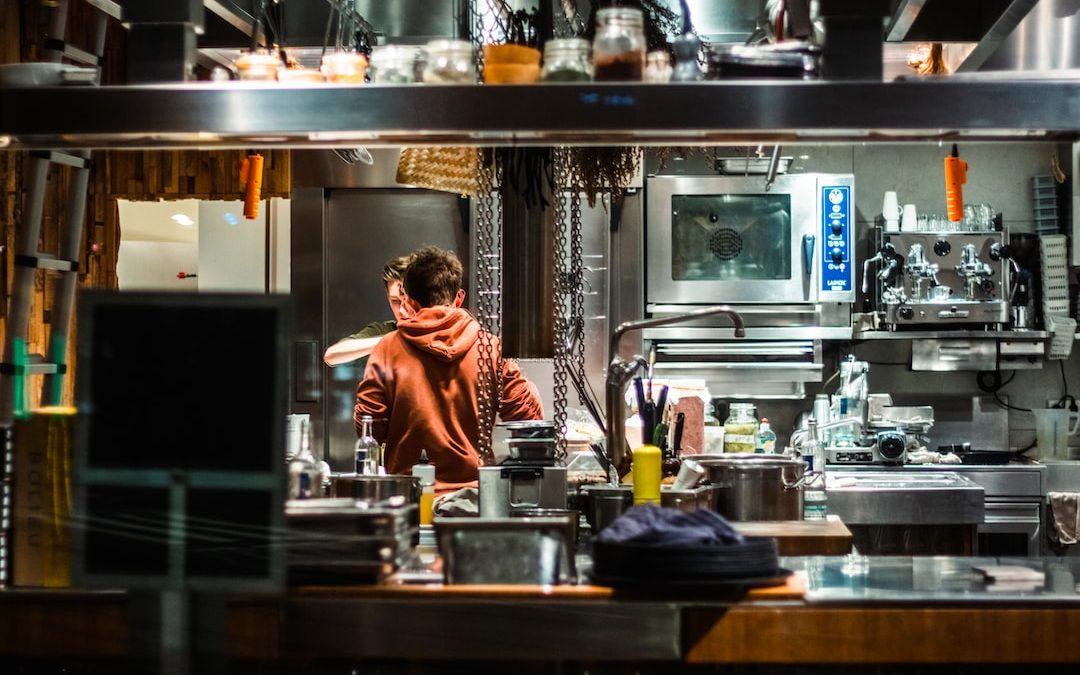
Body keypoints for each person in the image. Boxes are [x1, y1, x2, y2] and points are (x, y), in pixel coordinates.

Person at [354, 245, 543, 491]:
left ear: (408, 300)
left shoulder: (387, 349)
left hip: (409, 498)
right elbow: (529, 421)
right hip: (475, 499)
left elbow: (368, 428)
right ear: (459, 297)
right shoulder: (490, 347)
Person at [323, 255, 412, 367]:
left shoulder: (438, 331)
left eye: (408, 300)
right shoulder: (386, 331)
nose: (402, 310)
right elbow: (331, 355)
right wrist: (393, 339)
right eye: (395, 301)